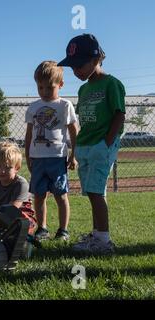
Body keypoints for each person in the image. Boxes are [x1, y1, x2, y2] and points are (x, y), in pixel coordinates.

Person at [58, 34, 126, 253]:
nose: (76, 71)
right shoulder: (83, 89)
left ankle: (103, 242)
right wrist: (78, 149)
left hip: (100, 145)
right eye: (73, 67)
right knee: (92, 192)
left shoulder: (112, 84)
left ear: (96, 59)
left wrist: (107, 143)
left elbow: (119, 114)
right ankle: (97, 235)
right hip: (86, 145)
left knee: (96, 193)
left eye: (79, 65)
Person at [24, 61, 79, 242]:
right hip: (38, 159)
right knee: (39, 196)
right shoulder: (33, 107)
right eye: (40, 87)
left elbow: (73, 131)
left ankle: (63, 230)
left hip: (57, 158)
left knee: (60, 195)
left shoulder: (65, 106)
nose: (45, 92)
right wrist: (27, 156)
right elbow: (29, 134)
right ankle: (42, 228)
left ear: (60, 85)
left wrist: (73, 155)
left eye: (50, 87)